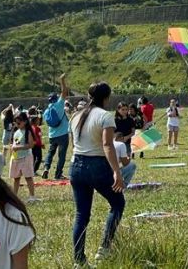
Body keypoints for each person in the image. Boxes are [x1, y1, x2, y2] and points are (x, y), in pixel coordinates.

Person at [69, 81, 125, 265]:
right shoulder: (105, 116)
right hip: (97, 165)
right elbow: (107, 145)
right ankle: (104, 248)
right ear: (107, 98)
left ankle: (79, 260)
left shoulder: (76, 115)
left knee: (81, 215)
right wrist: (117, 171)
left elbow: (73, 145)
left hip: (76, 165)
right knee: (117, 203)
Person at [42, 74, 70, 180]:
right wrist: (62, 80)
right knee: (61, 155)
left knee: (50, 152)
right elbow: (64, 92)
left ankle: (46, 168)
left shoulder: (46, 111)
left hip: (52, 135)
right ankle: (58, 174)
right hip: (62, 134)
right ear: (56, 98)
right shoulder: (59, 104)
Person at [9, 113, 38, 203]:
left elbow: (31, 145)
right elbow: (14, 143)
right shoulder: (16, 132)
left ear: (25, 122)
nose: (17, 125)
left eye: (19, 123)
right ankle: (14, 196)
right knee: (16, 178)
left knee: (28, 177)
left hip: (26, 157)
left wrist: (18, 148)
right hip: (16, 157)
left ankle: (32, 196)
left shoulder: (28, 132)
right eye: (15, 123)